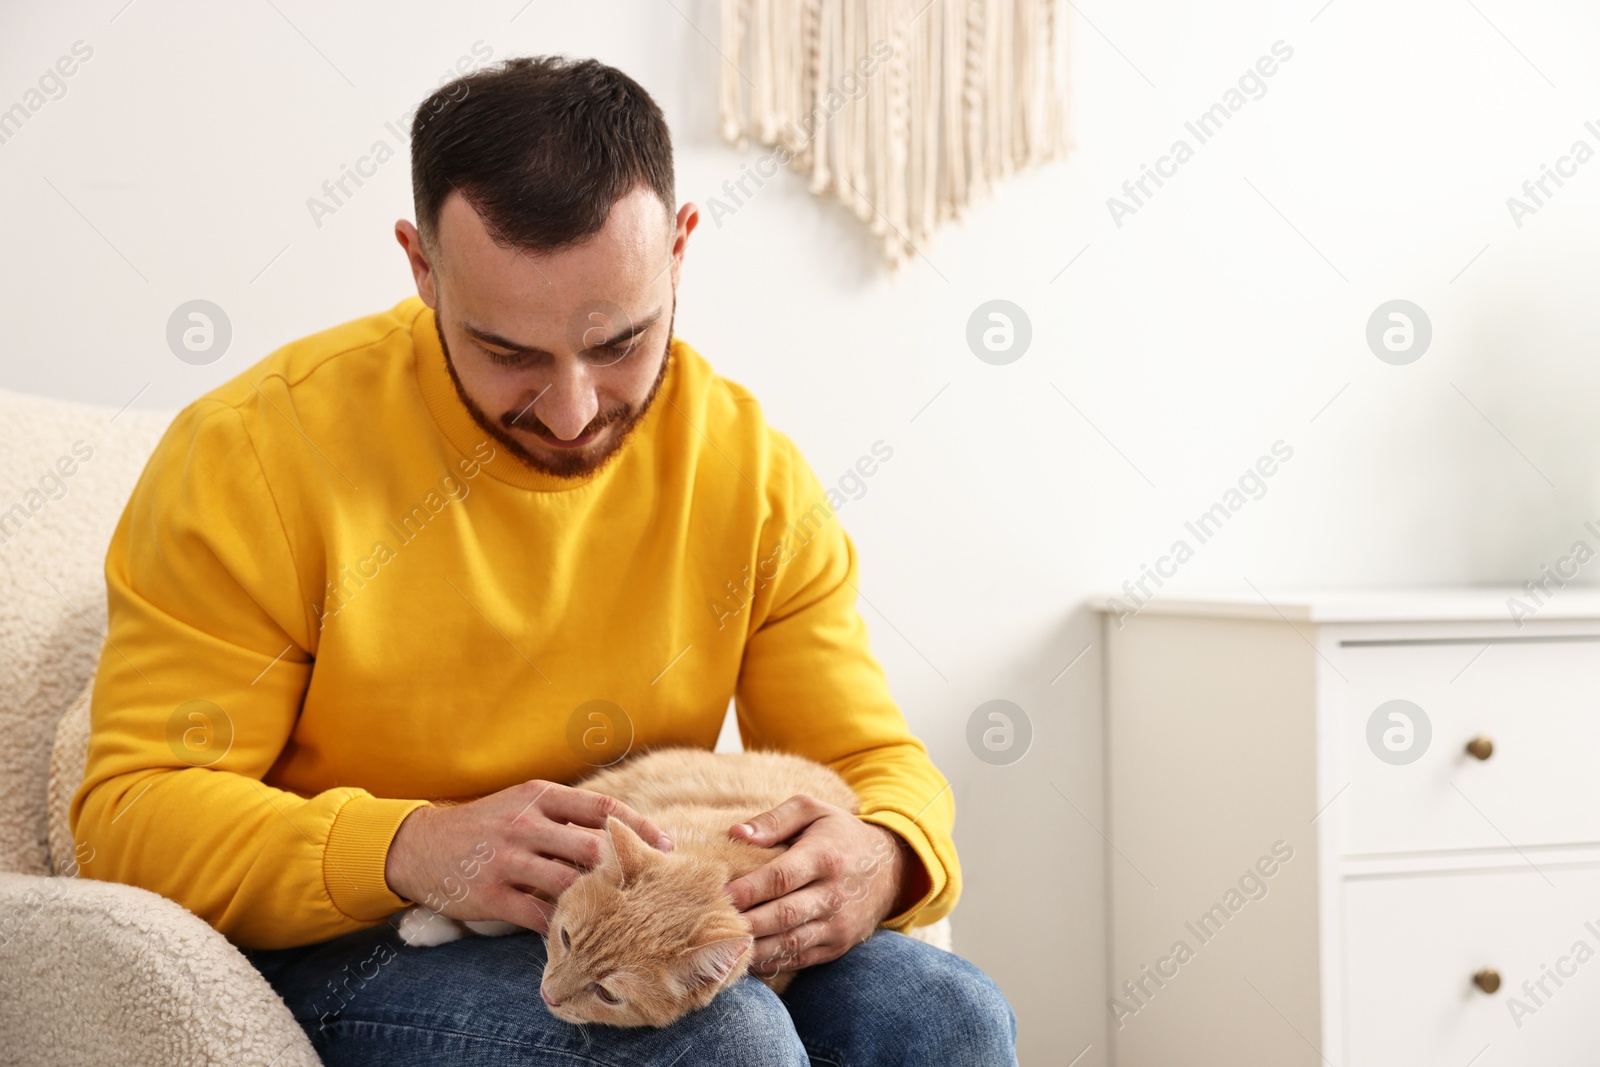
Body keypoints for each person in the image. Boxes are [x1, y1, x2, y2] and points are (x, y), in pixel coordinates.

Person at [70, 54, 1017, 1065]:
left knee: (945, 1013)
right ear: (422, 267)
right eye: (508, 351)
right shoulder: (250, 454)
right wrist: (408, 847)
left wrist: (886, 854)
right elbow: (131, 812)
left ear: (681, 250)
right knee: (722, 1043)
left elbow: (875, 764)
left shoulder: (748, 471)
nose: (572, 411)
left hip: (623, 911)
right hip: (356, 936)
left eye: (618, 344)